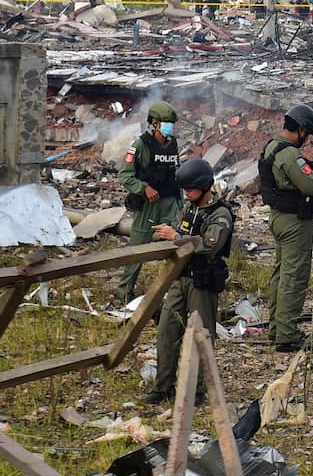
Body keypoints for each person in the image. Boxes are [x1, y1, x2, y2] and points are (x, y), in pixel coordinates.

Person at [143, 158, 234, 406]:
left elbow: (208, 246)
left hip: (202, 282)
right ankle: (163, 387)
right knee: (166, 332)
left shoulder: (220, 214)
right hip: (180, 278)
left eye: (190, 189)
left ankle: (197, 391)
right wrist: (168, 232)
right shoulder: (189, 208)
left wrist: (178, 237)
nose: (187, 193)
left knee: (200, 337)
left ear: (205, 187)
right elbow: (180, 230)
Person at [258, 104, 313, 352]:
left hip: (278, 217)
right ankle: (287, 336)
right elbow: (312, 187)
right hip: (294, 222)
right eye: (307, 134)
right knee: (294, 277)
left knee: (280, 276)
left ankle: (276, 328)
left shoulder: (270, 146)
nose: (306, 139)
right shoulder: (290, 154)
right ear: (301, 129)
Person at [117, 101, 182, 304]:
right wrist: (144, 188)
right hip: (149, 204)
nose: (169, 127)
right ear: (154, 123)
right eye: (165, 123)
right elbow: (125, 175)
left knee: (180, 242)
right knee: (138, 248)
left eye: (171, 123)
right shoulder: (140, 145)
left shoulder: (172, 144)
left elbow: (175, 173)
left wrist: (181, 201)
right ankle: (125, 292)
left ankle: (177, 289)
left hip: (171, 201)